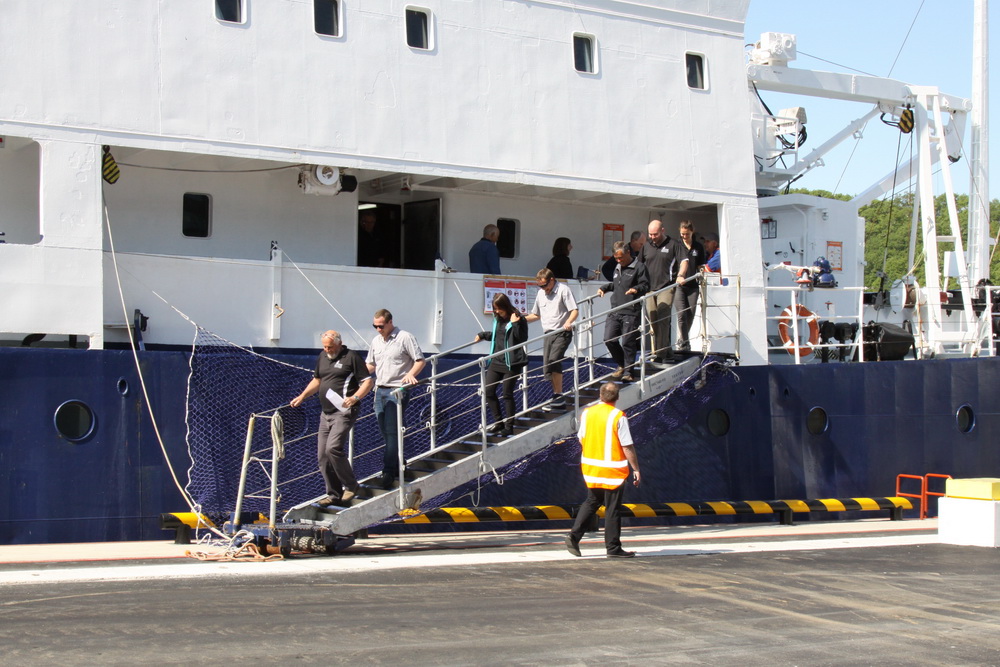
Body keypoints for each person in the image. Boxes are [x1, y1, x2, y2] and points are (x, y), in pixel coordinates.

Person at [291, 330, 373, 506]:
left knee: (333, 448)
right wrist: (303, 395)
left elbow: (367, 381)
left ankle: (351, 485)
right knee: (322, 456)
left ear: (339, 343)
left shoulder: (351, 357)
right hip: (325, 413)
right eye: (325, 347)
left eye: (330, 347)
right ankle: (334, 494)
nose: (327, 350)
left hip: (344, 411)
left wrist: (355, 397)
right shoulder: (322, 356)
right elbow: (318, 380)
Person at [564, 382, 641, 559]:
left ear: (600, 395)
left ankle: (574, 536)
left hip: (592, 468)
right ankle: (613, 548)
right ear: (618, 397)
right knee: (612, 509)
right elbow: (627, 446)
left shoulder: (588, 413)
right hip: (613, 471)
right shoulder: (618, 416)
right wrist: (636, 469)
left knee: (592, 501)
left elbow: (581, 438)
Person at [366, 309, 426, 488]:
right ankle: (400, 462)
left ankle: (389, 472)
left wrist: (410, 375)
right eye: (375, 326)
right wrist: (354, 374)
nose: (378, 329)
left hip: (397, 391)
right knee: (384, 431)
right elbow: (370, 364)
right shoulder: (376, 341)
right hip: (380, 390)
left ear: (390, 322)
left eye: (381, 326)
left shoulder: (405, 337)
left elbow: (420, 360)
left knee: (392, 431)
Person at [474, 293, 528, 437]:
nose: (497, 312)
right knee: (488, 391)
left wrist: (515, 323)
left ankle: (509, 426)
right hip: (496, 361)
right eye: (495, 309)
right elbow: (498, 336)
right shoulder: (497, 319)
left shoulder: (518, 318)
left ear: (506, 306)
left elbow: (521, 339)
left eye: (499, 309)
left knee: (507, 394)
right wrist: (483, 335)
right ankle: (499, 422)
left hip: (511, 363)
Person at [525, 267, 579, 411]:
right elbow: (536, 315)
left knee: (554, 360)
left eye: (545, 285)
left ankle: (559, 395)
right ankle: (557, 397)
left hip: (562, 332)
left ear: (552, 280)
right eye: (540, 286)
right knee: (548, 366)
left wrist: (569, 322)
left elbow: (574, 310)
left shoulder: (563, 290)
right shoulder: (541, 294)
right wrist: (520, 320)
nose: (543, 289)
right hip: (548, 333)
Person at [597, 240, 649, 383]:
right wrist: (605, 288)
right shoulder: (618, 267)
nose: (619, 260)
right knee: (609, 339)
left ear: (628, 253)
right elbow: (616, 285)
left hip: (630, 310)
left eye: (621, 257)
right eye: (616, 258)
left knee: (628, 342)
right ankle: (622, 364)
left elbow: (645, 285)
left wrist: (636, 289)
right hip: (615, 309)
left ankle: (629, 371)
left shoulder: (639, 267)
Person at [638, 219, 687, 363]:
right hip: (649, 289)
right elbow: (639, 265)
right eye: (650, 234)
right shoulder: (646, 246)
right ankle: (668, 351)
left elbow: (684, 261)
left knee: (663, 318)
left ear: (663, 231)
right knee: (653, 320)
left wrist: (681, 275)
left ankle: (660, 354)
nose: (652, 237)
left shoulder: (673, 245)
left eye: (655, 234)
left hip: (666, 287)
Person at [675, 221, 706, 352]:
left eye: (686, 234)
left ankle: (682, 339)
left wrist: (702, 274)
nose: (684, 236)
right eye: (682, 234)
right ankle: (685, 343)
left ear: (692, 232)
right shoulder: (677, 245)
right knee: (681, 313)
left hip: (693, 285)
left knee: (691, 313)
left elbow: (700, 265)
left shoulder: (698, 247)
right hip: (680, 285)